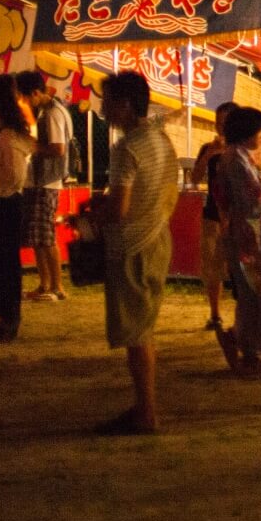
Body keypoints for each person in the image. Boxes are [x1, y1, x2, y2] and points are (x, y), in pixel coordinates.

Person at [94, 71, 178, 434]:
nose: (102, 109)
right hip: (159, 237)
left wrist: (93, 212)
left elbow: (119, 209)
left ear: (126, 105)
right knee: (144, 326)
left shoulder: (126, 148)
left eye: (108, 101)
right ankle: (144, 407)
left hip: (133, 244)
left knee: (137, 334)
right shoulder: (161, 140)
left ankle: (146, 411)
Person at [214, 105, 261, 374]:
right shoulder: (237, 160)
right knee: (253, 293)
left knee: (251, 294)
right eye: (258, 131)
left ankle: (242, 344)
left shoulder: (236, 157)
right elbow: (255, 201)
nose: (260, 137)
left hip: (243, 231)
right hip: (245, 233)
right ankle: (246, 349)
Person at [0, 74, 35, 343]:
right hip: (2, 201)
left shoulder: (7, 137)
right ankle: (5, 317)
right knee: (0, 262)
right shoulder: (1, 133)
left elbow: (12, 176)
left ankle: (9, 319)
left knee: (5, 262)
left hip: (5, 202)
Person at [16, 71, 72, 303]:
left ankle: (57, 286)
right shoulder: (49, 111)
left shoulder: (53, 114)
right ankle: (45, 284)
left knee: (46, 235)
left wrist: (31, 144)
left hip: (47, 181)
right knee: (38, 235)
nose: (25, 102)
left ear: (36, 93)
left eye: (26, 97)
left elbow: (58, 149)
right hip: (41, 180)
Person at [190, 100, 242, 332]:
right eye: (217, 123)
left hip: (238, 217)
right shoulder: (208, 148)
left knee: (239, 268)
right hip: (212, 215)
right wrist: (209, 154)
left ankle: (242, 315)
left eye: (224, 123)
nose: (220, 127)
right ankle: (215, 314)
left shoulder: (243, 148)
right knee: (213, 267)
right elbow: (195, 179)